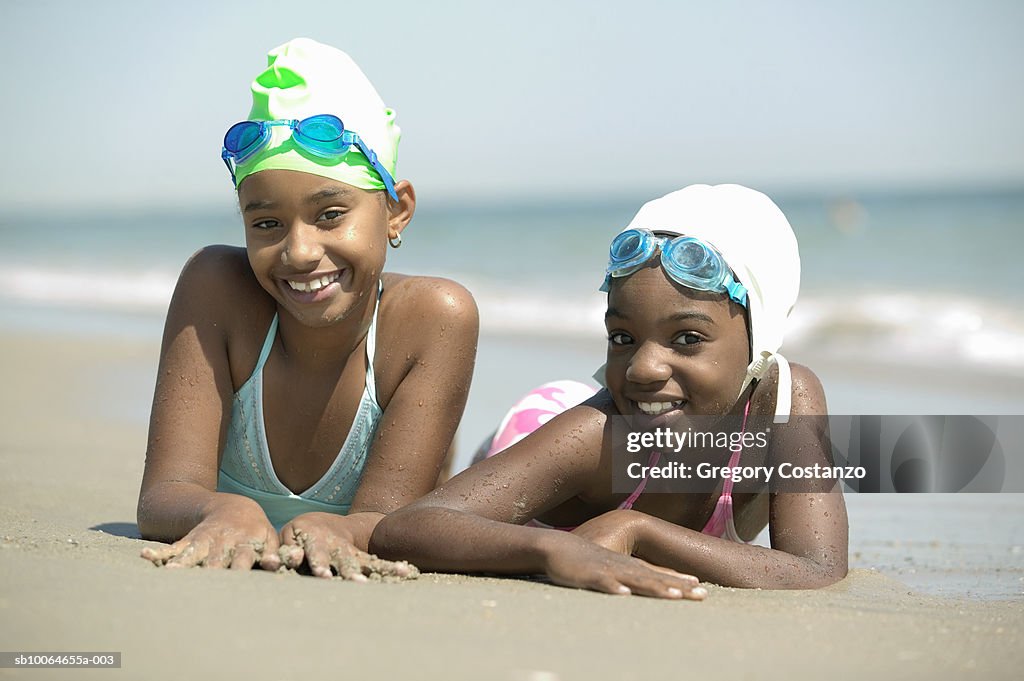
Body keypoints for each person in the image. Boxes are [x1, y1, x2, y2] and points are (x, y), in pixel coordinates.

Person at [371, 184, 848, 598]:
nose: (642, 368)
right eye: (622, 338)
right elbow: (406, 528)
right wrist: (556, 547)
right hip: (537, 429)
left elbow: (817, 566)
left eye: (687, 338)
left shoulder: (786, 403)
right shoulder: (598, 437)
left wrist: (636, 530)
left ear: (758, 338)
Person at [137, 38, 478, 580]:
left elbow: (385, 523)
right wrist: (222, 508)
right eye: (266, 224)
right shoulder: (215, 289)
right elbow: (162, 495)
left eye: (330, 215)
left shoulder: (432, 319)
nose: (298, 251)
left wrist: (344, 528)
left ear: (396, 210)